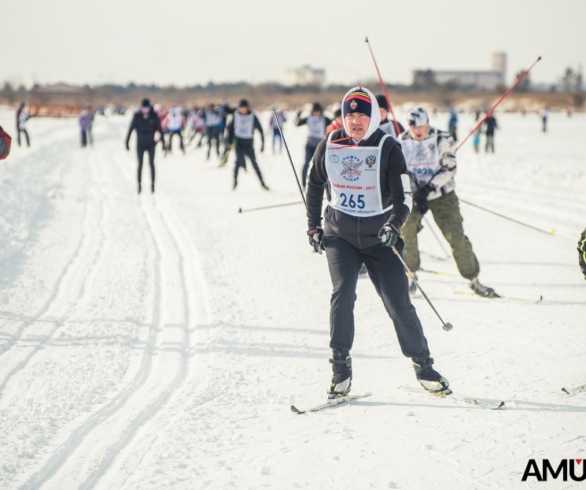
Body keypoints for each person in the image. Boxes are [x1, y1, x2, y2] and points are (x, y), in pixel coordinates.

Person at [306, 87, 449, 399]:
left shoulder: (387, 147)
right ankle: (340, 368)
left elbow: (404, 198)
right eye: (350, 114)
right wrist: (313, 227)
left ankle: (423, 365)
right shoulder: (329, 144)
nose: (355, 120)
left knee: (398, 302)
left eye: (362, 114)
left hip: (379, 237)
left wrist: (393, 226)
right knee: (343, 292)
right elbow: (314, 183)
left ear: (372, 118)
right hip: (340, 235)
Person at [398, 106, 498, 298]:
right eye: (413, 127)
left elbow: (450, 168)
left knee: (455, 235)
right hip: (413, 193)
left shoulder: (442, 138)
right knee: (406, 231)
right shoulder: (401, 141)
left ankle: (473, 278)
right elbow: (401, 170)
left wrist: (429, 187)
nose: (418, 131)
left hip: (442, 194)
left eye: (421, 126)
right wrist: (415, 191)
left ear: (427, 123)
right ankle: (410, 275)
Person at [225, 99, 268, 190]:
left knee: (254, 164)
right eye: (241, 108)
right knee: (237, 162)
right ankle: (235, 182)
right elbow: (230, 129)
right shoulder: (236, 116)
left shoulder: (252, 116)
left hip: (249, 143)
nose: (243, 110)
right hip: (238, 143)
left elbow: (260, 130)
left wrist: (263, 143)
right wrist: (229, 142)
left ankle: (263, 183)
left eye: (245, 108)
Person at [125, 98, 164, 194]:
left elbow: (160, 129)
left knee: (151, 164)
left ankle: (152, 185)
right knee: (140, 165)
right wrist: (127, 142)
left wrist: (162, 142)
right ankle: (139, 185)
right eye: (143, 107)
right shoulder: (137, 116)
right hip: (140, 144)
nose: (145, 109)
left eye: (147, 107)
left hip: (151, 144)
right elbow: (130, 129)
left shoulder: (154, 116)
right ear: (141, 107)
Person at [296, 102, 332, 189]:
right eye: (314, 112)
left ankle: (325, 184)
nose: (316, 114)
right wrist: (298, 115)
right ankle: (304, 184)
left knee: (322, 165)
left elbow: (334, 123)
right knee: (306, 164)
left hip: (320, 146)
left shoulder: (325, 119)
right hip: (310, 145)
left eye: (318, 112)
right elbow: (297, 124)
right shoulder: (309, 118)